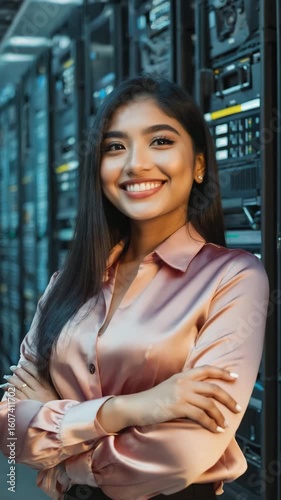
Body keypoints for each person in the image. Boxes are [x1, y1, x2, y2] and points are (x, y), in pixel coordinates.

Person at [0, 76, 269, 500]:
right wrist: (138, 407)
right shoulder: (67, 283)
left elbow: (183, 453)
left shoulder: (234, 278)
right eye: (115, 146)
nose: (135, 165)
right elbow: (9, 425)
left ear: (199, 164)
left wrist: (64, 457)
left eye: (160, 141)